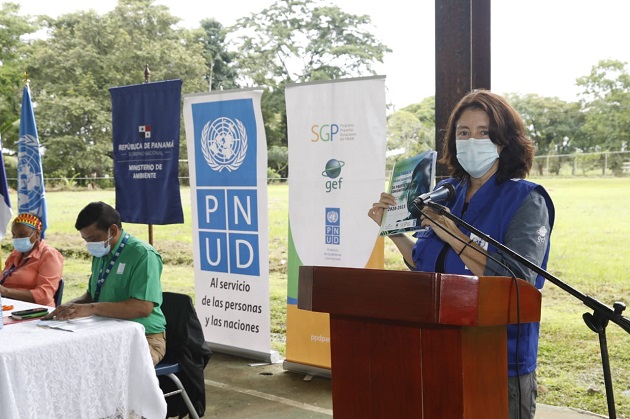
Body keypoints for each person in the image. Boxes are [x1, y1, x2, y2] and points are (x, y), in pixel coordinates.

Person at [369, 89, 554, 419]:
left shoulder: (527, 200)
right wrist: (395, 231)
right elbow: (426, 262)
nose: (473, 141)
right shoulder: (447, 195)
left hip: (499, 363)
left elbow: (517, 281)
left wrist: (453, 235)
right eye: (463, 133)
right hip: (438, 353)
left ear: (503, 141)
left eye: (484, 132)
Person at [44, 201, 167, 365]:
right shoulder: (101, 253)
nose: (90, 244)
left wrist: (92, 308)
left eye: (93, 238)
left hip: (144, 338)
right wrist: (68, 307)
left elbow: (142, 307)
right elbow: (92, 295)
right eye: (86, 239)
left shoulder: (143, 255)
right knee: (67, 360)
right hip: (107, 331)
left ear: (113, 230)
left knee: (105, 370)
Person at [0, 213, 64, 307]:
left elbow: (44, 295)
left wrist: (5, 291)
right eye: (14, 235)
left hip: (34, 311)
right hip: (9, 306)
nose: (17, 239)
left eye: (22, 235)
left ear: (37, 233)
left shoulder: (49, 255)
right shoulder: (16, 253)